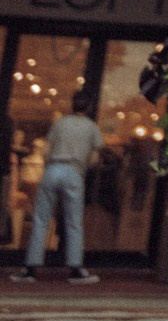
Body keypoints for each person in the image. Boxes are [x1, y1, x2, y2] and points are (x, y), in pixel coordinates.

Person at [11, 88, 103, 284]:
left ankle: (30, 269)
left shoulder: (60, 124)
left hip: (53, 169)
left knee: (41, 219)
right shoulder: (91, 127)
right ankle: (75, 269)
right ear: (89, 106)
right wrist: (81, 167)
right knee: (73, 221)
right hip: (74, 172)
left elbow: (46, 151)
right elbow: (94, 158)